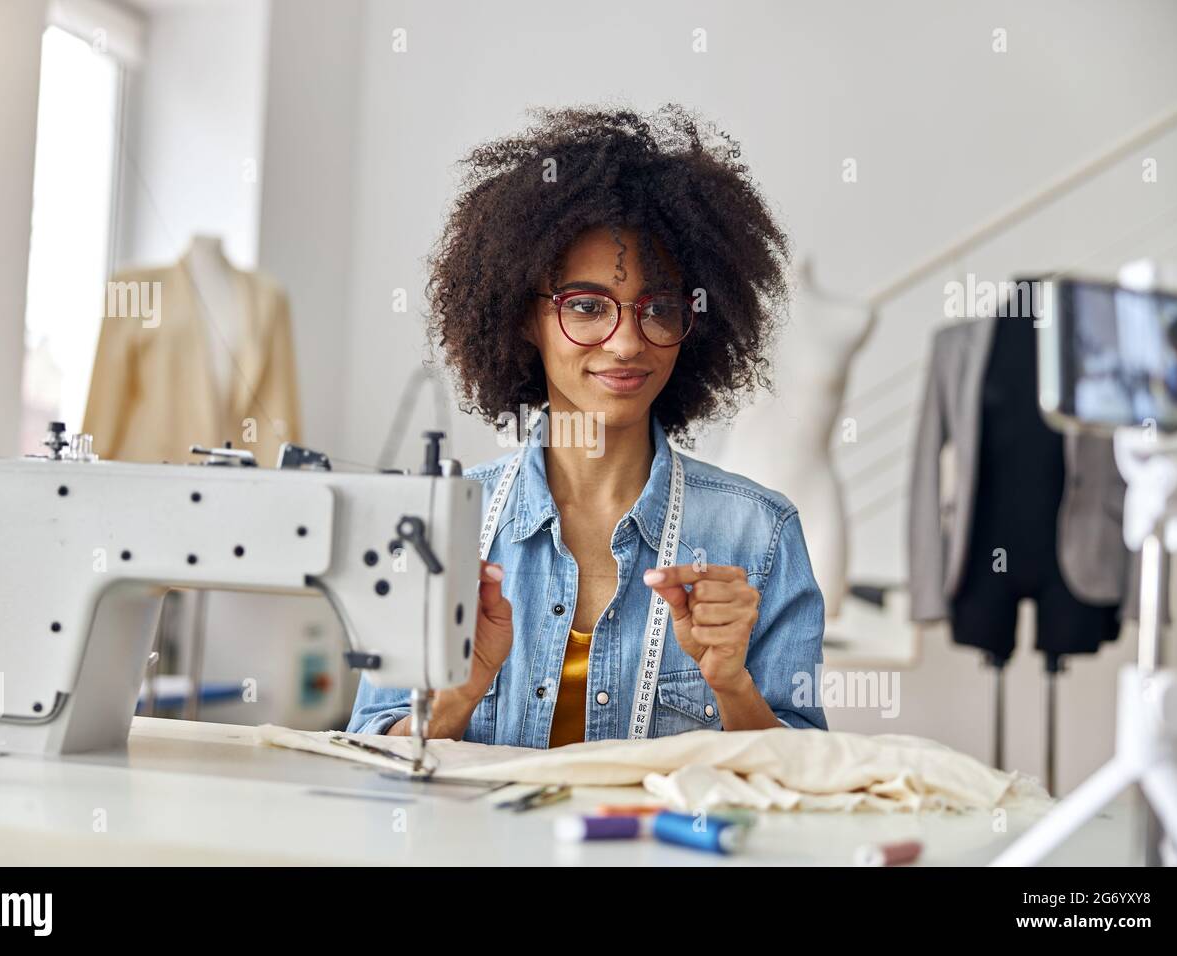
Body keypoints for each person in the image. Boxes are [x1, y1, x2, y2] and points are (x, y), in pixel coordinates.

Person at [349, 105, 827, 747]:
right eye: (586, 306)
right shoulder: (436, 525)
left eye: (657, 309)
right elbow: (371, 771)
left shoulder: (759, 536)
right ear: (525, 318)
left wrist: (732, 685)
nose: (626, 343)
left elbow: (805, 786)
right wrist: (455, 697)